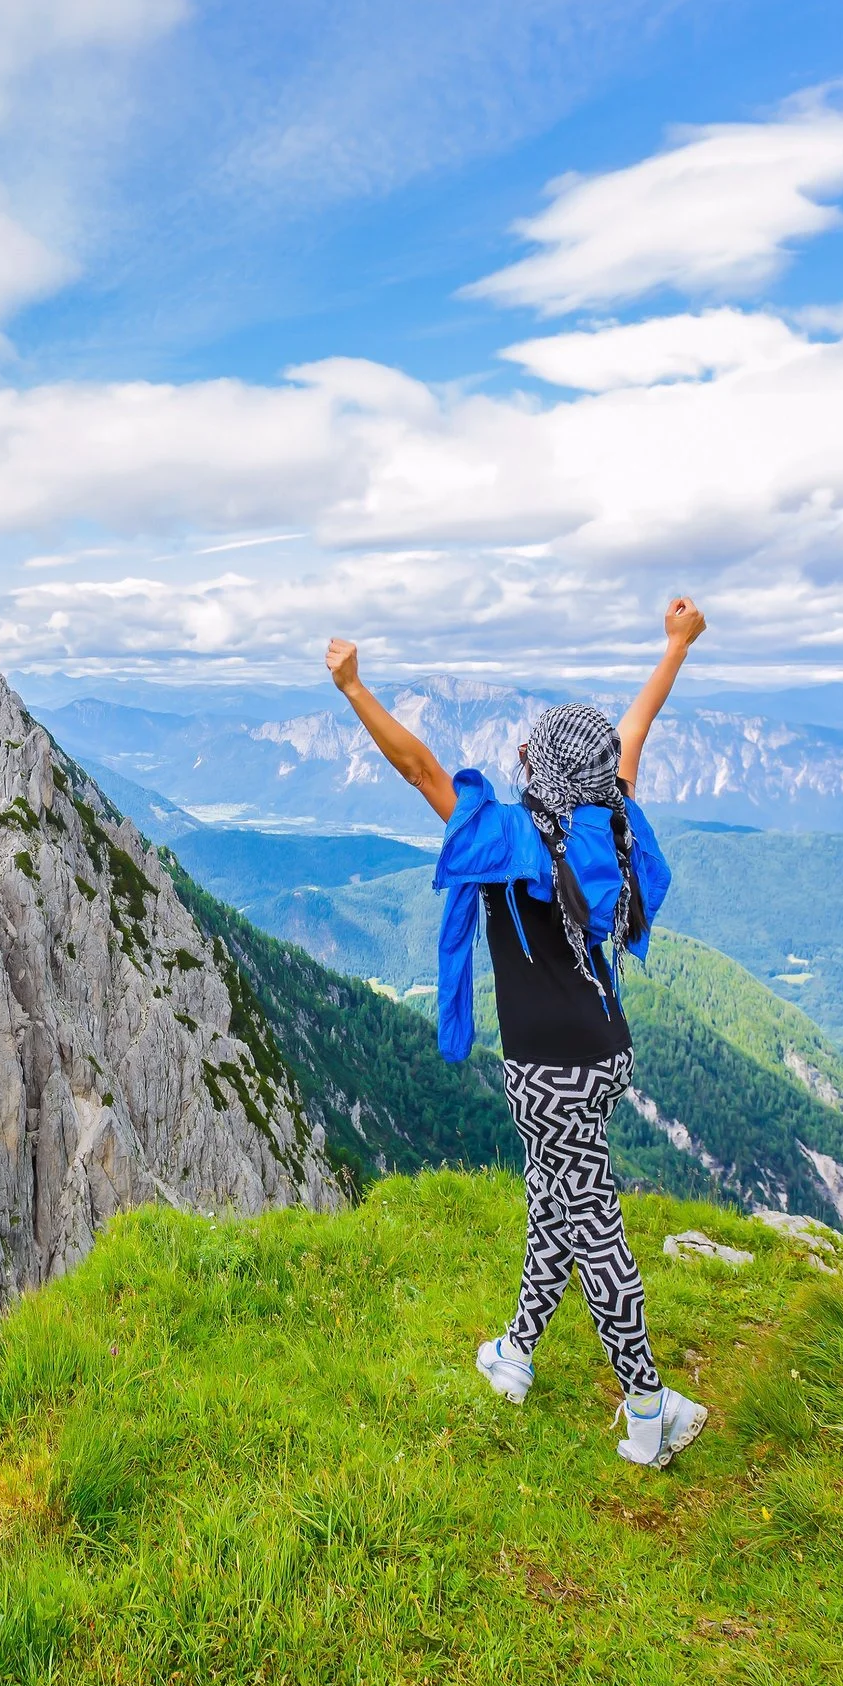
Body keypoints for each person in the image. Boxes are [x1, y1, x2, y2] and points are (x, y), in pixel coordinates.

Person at [323, 600, 710, 1468]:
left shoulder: (508, 839)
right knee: (554, 1201)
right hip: (602, 1050)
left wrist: (354, 689)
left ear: (547, 767)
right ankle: (517, 1352)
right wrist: (675, 647)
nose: (524, 748)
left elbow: (420, 767)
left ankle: (648, 1407)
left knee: (591, 1223)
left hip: (549, 1071)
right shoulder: (609, 818)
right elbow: (634, 732)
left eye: (536, 745)